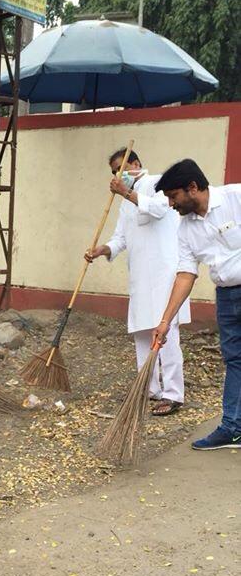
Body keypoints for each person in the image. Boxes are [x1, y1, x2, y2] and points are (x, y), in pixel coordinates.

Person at [85, 147, 190, 415]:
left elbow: (158, 209)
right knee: (142, 332)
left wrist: (126, 193)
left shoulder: (158, 183)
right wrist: (102, 250)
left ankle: (173, 393)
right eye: (113, 172)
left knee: (166, 331)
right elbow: (120, 238)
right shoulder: (124, 202)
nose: (117, 175)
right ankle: (149, 388)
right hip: (141, 275)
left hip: (164, 272)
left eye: (120, 168)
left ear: (135, 164)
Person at [153, 159, 241, 450]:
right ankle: (233, 429)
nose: (170, 204)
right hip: (226, 297)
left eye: (173, 196)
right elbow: (186, 274)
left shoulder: (235, 198)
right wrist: (165, 321)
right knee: (235, 361)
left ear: (192, 187)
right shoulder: (185, 229)